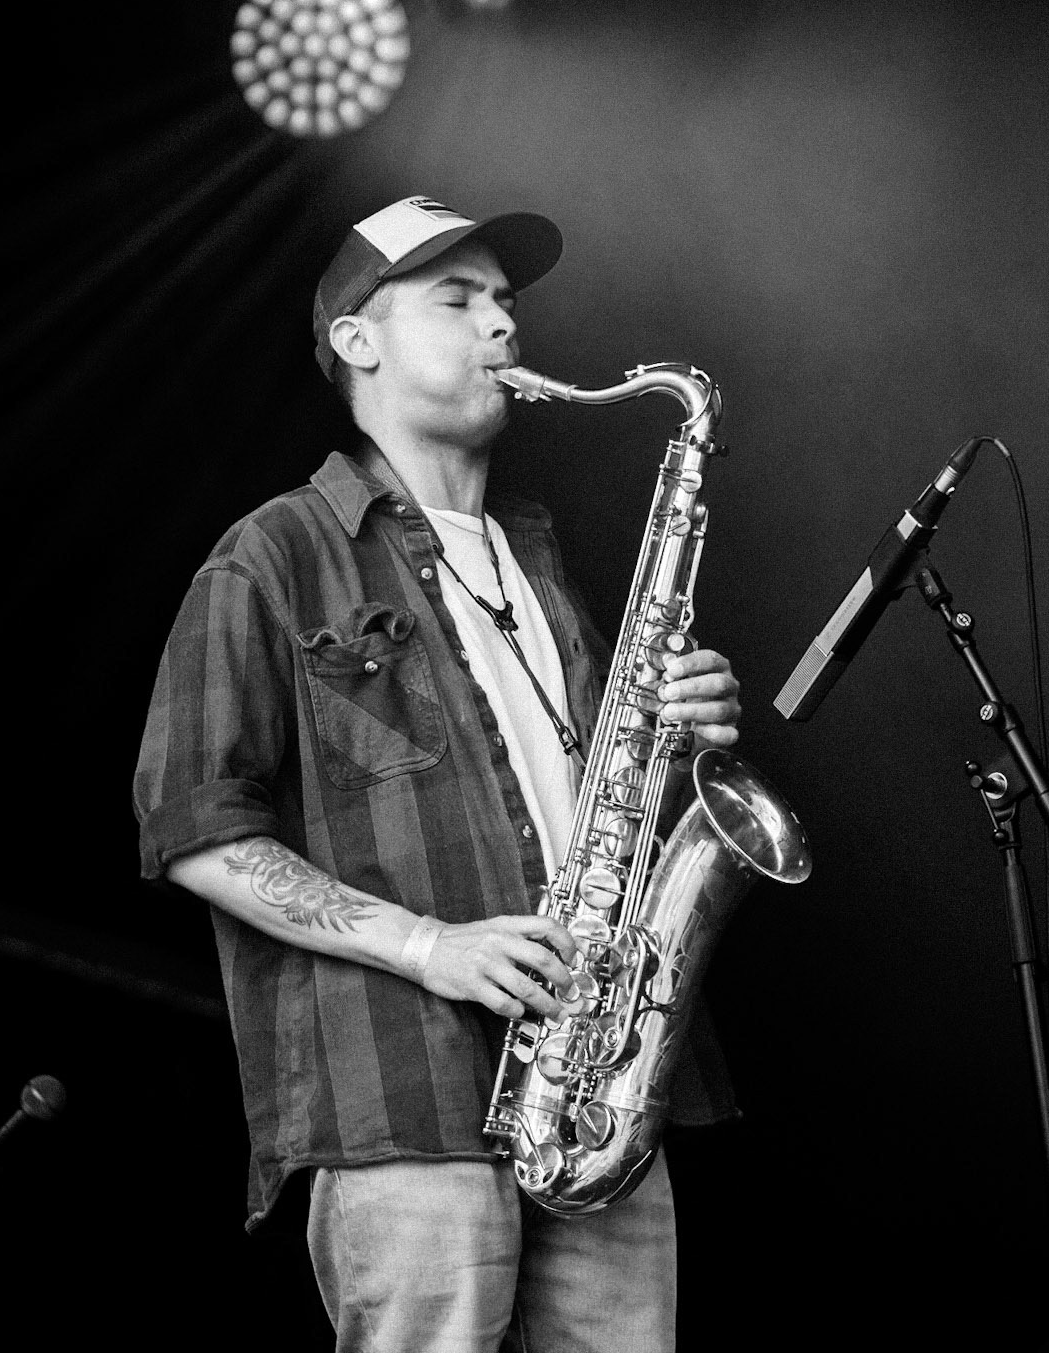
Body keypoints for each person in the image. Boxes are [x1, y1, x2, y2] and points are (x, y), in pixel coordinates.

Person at [134, 193, 743, 1352]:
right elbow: (195, 829)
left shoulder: (542, 557)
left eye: (506, 302)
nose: (502, 327)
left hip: (600, 1087)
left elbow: (590, 816)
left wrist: (677, 735)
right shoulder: (271, 555)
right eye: (456, 300)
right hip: (405, 1101)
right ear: (358, 340)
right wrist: (431, 945)